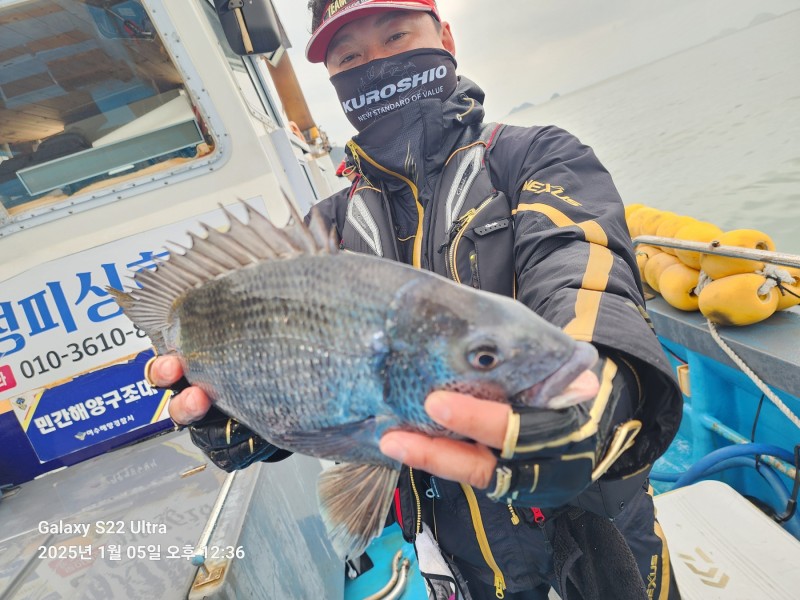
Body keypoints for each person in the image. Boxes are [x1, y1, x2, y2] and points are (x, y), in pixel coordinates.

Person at [147, 1, 683, 598]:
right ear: (332, 79)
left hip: (595, 526)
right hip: (457, 553)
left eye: (396, 35)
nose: (376, 64)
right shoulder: (324, 232)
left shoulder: (534, 158)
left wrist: (602, 394)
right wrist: (228, 416)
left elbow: (580, 272)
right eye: (350, 56)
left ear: (445, 37)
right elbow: (302, 405)